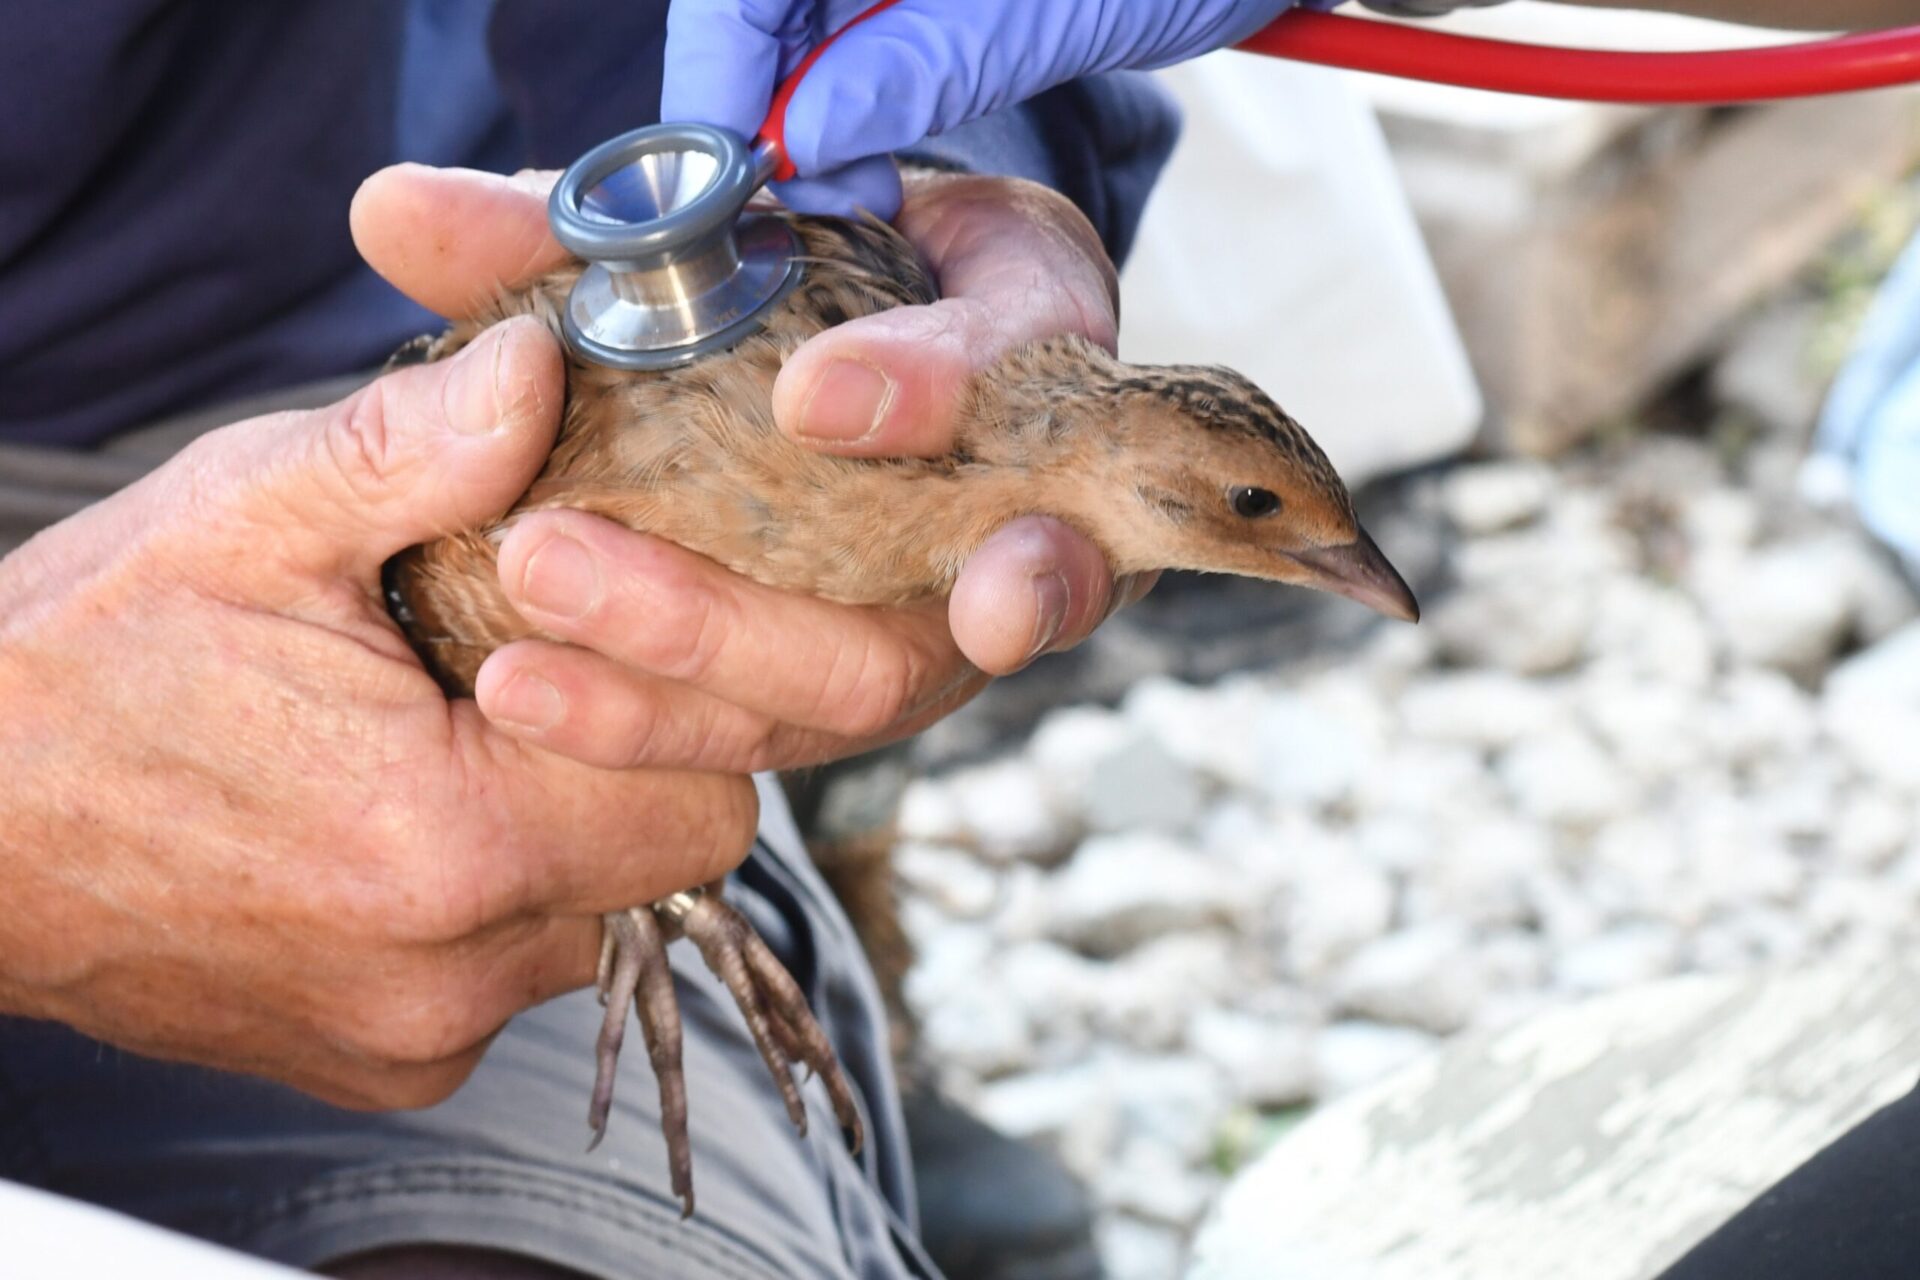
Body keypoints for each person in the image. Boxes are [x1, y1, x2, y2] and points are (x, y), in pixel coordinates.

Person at [2, 3, 1915, 1280]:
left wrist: (968, 156)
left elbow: (759, 79)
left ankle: (764, 907)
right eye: (1263, 528)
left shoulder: (886, 400)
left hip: (241, 386)